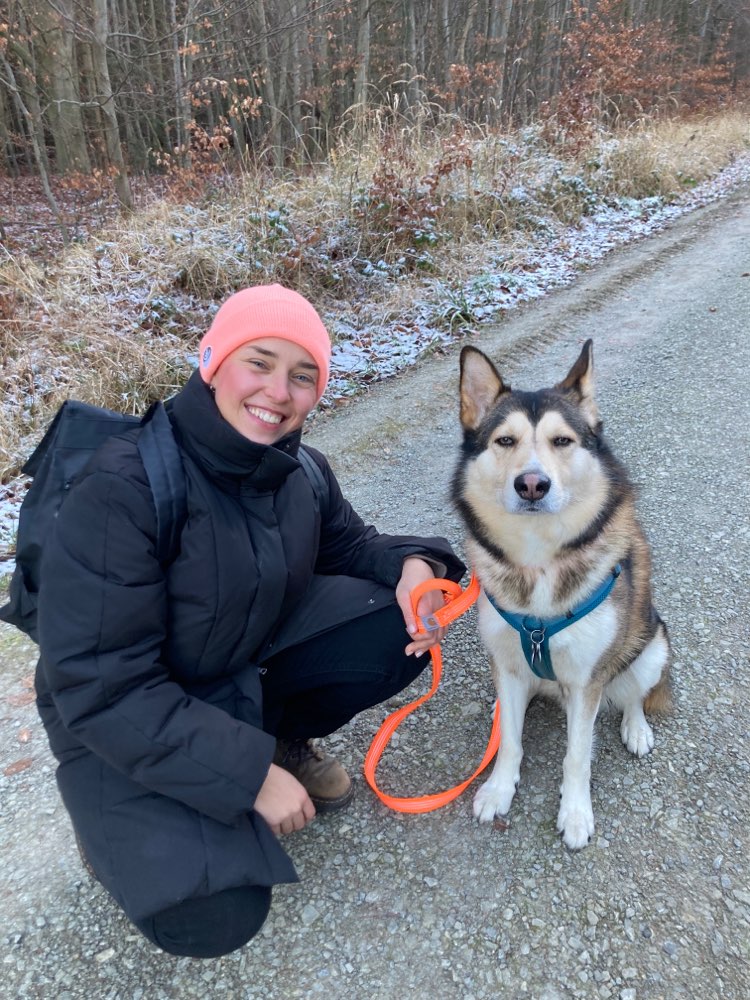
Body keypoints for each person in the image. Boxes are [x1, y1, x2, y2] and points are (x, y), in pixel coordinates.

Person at [35, 284, 465, 958]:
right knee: (211, 915)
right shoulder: (122, 489)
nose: (278, 392)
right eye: (258, 362)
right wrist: (247, 777)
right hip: (124, 712)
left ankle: (281, 738)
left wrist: (414, 563)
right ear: (213, 360)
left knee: (392, 623)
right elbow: (101, 687)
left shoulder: (301, 469)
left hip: (232, 666)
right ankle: (110, 825)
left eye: (303, 376)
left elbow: (351, 547)